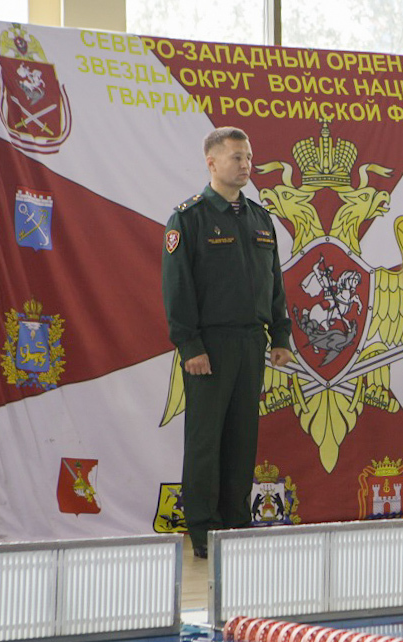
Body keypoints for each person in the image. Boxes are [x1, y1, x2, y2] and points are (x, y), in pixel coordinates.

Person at [161, 126, 292, 558]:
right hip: (209, 347)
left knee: (242, 438)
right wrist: (190, 346)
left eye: (248, 156)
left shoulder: (259, 217)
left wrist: (281, 335)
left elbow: (274, 284)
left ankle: (235, 524)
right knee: (205, 440)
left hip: (252, 343)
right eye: (236, 157)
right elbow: (178, 289)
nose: (245, 164)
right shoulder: (189, 218)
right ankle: (202, 530)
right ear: (211, 162)